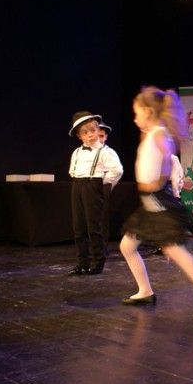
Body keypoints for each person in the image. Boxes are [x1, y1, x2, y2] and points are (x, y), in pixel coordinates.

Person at [119, 86, 193, 320]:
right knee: (127, 246)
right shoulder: (151, 133)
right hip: (148, 204)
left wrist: (158, 181)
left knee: (173, 249)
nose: (134, 119)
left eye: (136, 113)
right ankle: (145, 291)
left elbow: (167, 156)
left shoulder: (158, 134)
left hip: (158, 201)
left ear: (147, 111)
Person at [67, 111, 123, 275]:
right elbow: (72, 170)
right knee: (79, 227)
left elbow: (117, 171)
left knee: (94, 227)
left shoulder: (106, 152)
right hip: (77, 185)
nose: (90, 135)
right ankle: (82, 262)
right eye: (85, 132)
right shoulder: (77, 152)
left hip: (93, 185)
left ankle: (98, 262)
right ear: (79, 136)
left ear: (98, 130)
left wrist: (102, 184)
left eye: (93, 131)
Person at [96, 121, 122, 254]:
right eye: (97, 136)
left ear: (105, 137)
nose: (99, 139)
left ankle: (102, 247)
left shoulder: (109, 152)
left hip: (102, 186)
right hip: (88, 187)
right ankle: (93, 247)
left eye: (101, 136)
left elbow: (117, 171)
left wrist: (104, 183)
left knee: (102, 218)